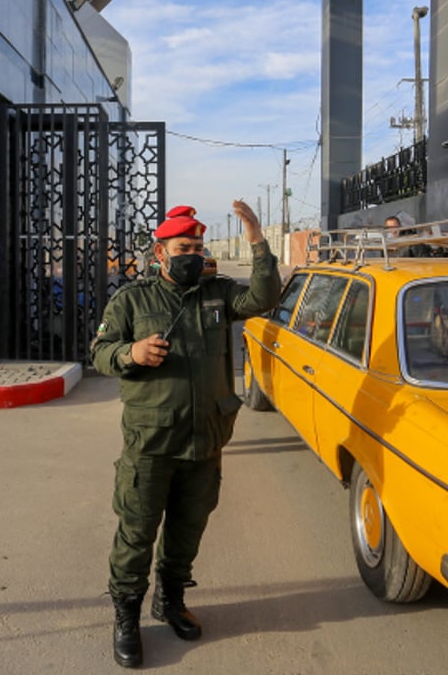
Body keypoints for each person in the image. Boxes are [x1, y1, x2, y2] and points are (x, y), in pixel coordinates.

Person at [90, 201, 281, 668]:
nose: (193, 254)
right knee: (137, 534)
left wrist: (256, 237)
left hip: (205, 439)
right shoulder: (132, 301)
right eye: (183, 247)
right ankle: (128, 615)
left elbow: (264, 296)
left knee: (187, 529)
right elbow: (100, 352)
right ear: (161, 253)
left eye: (198, 247)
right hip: (150, 445)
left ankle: (169, 600)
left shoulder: (216, 293)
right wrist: (131, 353)